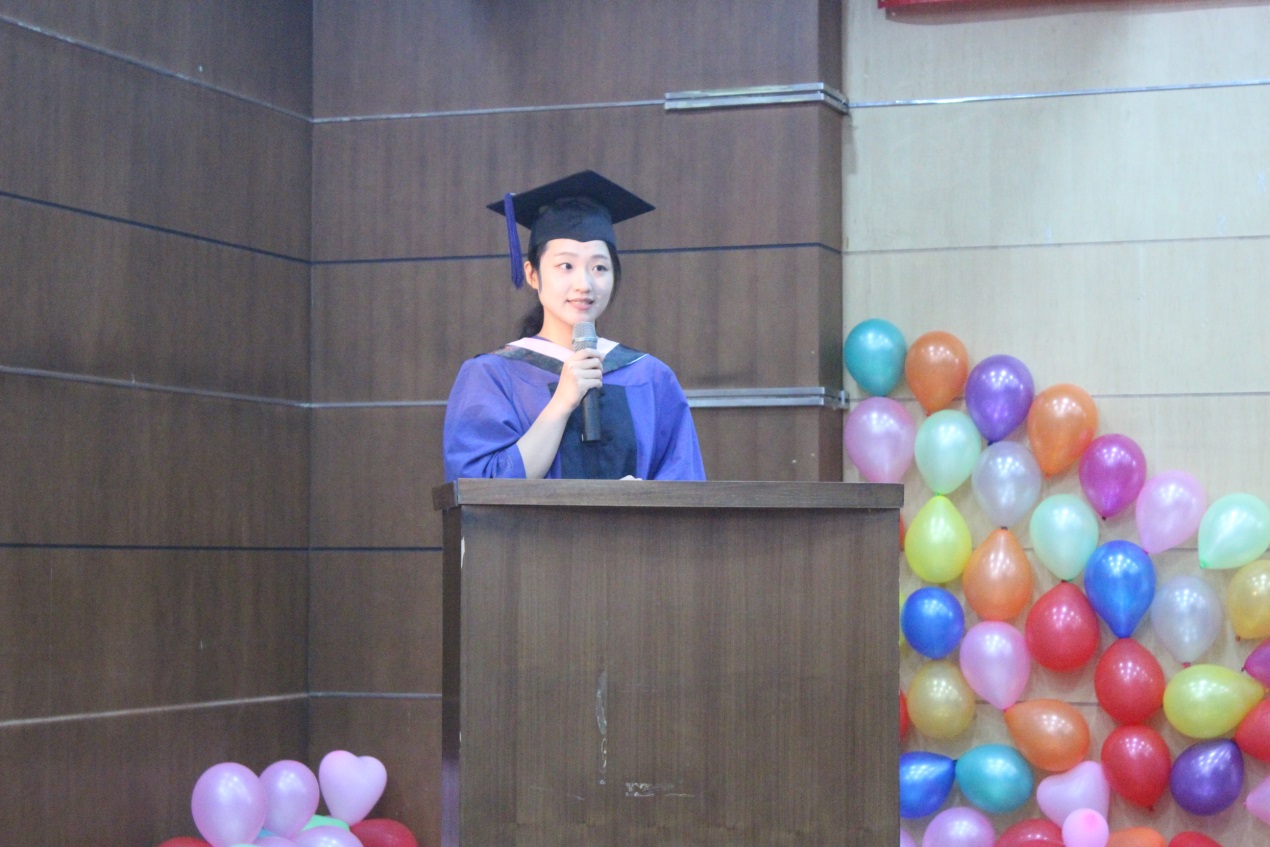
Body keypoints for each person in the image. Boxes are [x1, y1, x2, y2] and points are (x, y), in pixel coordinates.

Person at [443, 170, 705, 481]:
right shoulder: (492, 376)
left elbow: (685, 485)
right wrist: (561, 402)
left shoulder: (650, 377)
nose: (584, 284)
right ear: (532, 274)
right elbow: (479, 488)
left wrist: (642, 500)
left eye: (599, 267)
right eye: (565, 266)